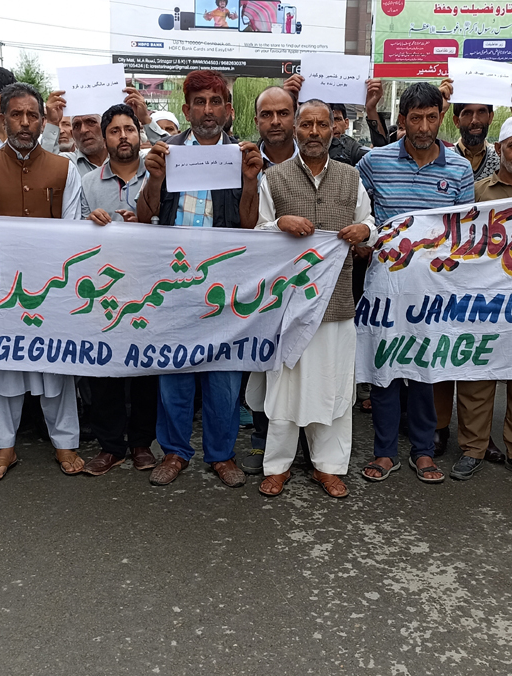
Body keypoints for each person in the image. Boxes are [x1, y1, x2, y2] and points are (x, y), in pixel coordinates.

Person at [136, 70, 263, 488]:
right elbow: (143, 216)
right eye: (200, 102)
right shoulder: (164, 152)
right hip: (173, 278)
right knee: (174, 370)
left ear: (228, 109)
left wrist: (248, 181)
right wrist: (155, 177)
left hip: (223, 280)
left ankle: (222, 454)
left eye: (215, 102)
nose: (208, 110)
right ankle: (174, 452)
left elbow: (247, 225)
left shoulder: (242, 154)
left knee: (224, 374)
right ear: (187, 109)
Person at [253, 99, 375, 498]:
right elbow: (257, 233)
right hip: (289, 306)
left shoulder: (351, 177)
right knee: (284, 386)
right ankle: (277, 466)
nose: (314, 133)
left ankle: (330, 466)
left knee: (332, 386)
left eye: (322, 125)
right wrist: (278, 225)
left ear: (333, 130)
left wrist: (363, 232)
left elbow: (370, 224)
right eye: (306, 125)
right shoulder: (273, 179)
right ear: (296, 129)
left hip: (337, 301)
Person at [0, 82, 84, 482]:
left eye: (33, 114)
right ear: (3, 117)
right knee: (1, 367)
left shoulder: (65, 167)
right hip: (1, 288)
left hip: (50, 287)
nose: (26, 122)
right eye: (17, 114)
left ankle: (65, 443)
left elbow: (72, 232)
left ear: (43, 118)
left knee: (57, 365)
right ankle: (4, 447)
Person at [356, 82, 474, 485]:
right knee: (385, 370)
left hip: (435, 289)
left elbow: (466, 231)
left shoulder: (459, 168)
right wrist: (364, 244)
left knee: (425, 369)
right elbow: (361, 212)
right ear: (402, 120)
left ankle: (424, 451)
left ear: (441, 117)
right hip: (385, 286)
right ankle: (385, 452)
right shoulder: (373, 162)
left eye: (431, 117)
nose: (424, 126)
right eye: (415, 118)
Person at [449, 116, 512, 486]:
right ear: (499, 148)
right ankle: (473, 448)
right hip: (484, 301)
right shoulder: (477, 192)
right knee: (477, 376)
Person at [78, 104, 159, 476]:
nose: (123, 136)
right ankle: (110, 446)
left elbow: (172, 225)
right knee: (104, 367)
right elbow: (73, 231)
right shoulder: (88, 183)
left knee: (145, 367)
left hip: (149, 286)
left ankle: (141, 442)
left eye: (129, 129)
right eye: (115, 130)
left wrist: (145, 221)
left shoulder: (159, 173)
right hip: (103, 287)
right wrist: (90, 222)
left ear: (139, 134)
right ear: (105, 136)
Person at [254, 85, 299, 168]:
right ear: (257, 122)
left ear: (295, 118)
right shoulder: (242, 165)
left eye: (283, 114)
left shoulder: (314, 162)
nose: (275, 122)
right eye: (266, 115)